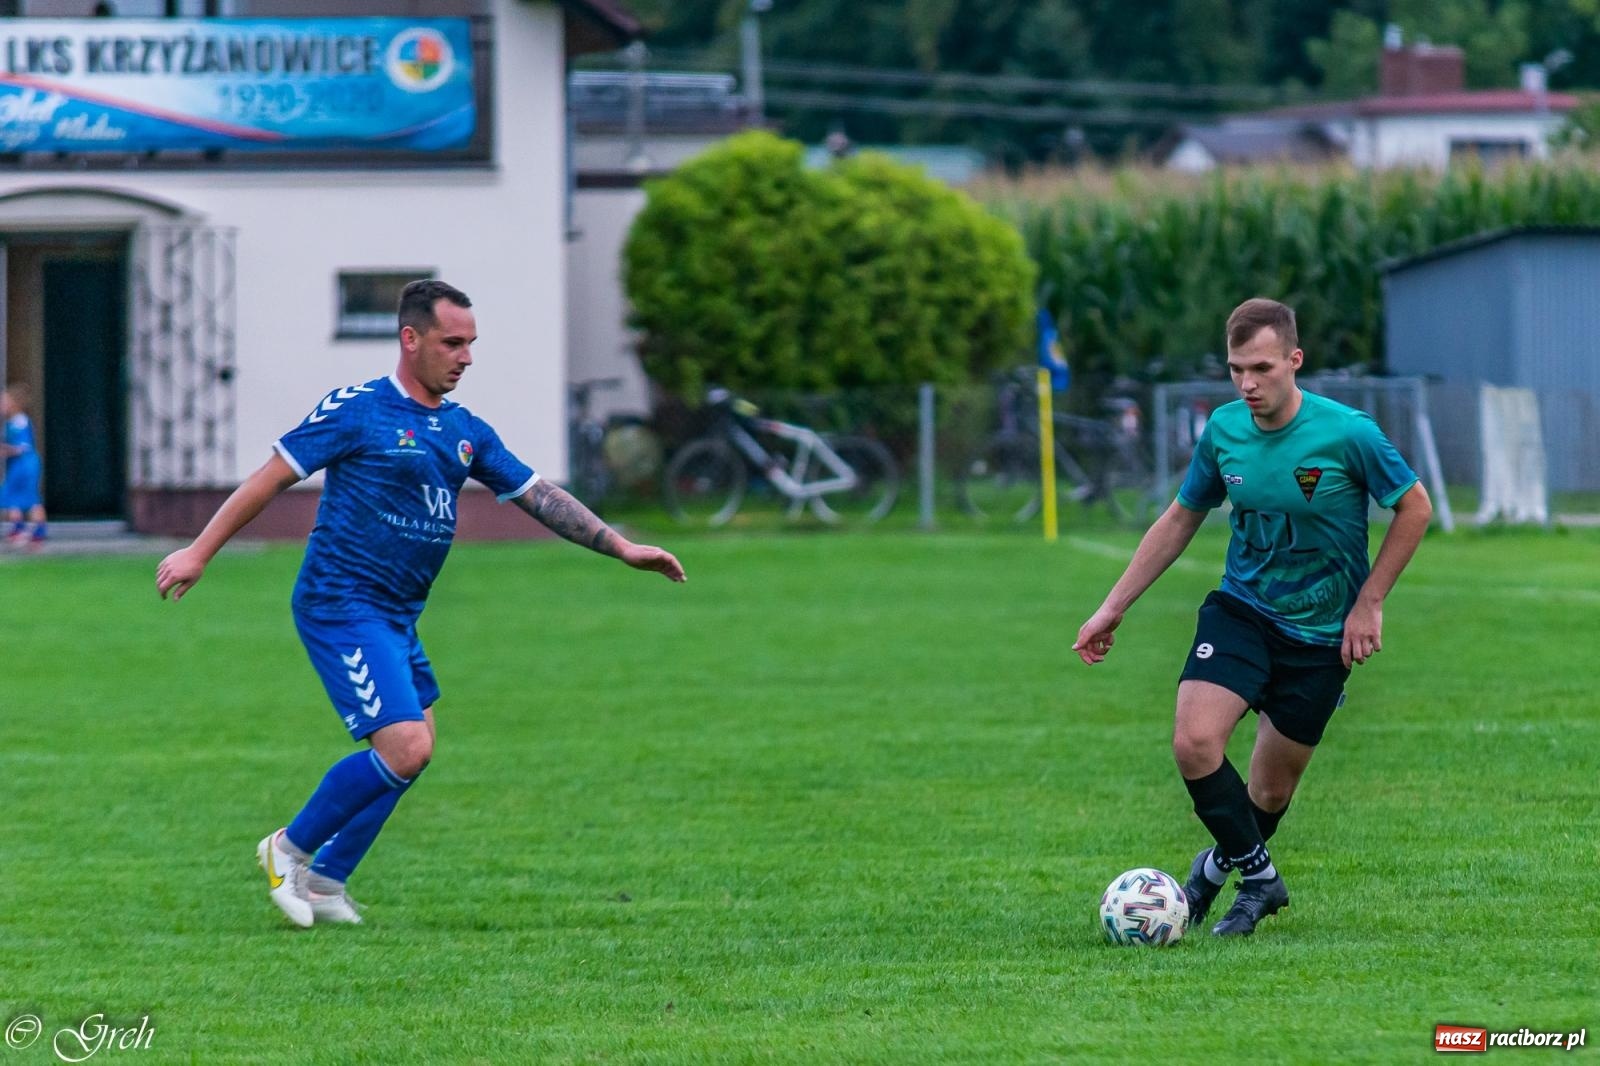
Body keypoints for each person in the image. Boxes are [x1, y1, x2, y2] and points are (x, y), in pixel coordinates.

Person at [156, 279, 685, 928]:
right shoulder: (359, 410)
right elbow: (272, 476)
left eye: (471, 345)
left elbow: (538, 494)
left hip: (397, 613)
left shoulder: (464, 431)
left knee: (416, 744)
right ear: (411, 339)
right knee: (406, 746)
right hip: (341, 601)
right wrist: (199, 552)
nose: (465, 357)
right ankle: (286, 849)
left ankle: (326, 880)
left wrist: (622, 547)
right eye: (452, 343)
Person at [1073, 298, 1431, 937]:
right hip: (1243, 610)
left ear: (1295, 360)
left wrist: (1369, 602)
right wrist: (1111, 608)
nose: (1247, 383)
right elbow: (1182, 516)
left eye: (1261, 367)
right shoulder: (1225, 431)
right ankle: (1261, 882)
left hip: (1322, 635)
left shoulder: (1348, 433)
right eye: (1237, 369)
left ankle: (1214, 875)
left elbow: (1415, 508)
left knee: (1268, 794)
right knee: (1195, 742)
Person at [1, 384, 47, 551]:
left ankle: (38, 532)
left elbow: (22, 446)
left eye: (4, 401)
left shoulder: (20, 421)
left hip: (25, 465)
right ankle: (18, 528)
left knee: (30, 497)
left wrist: (5, 450)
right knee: (9, 494)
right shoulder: (10, 422)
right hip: (17, 465)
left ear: (14, 403)